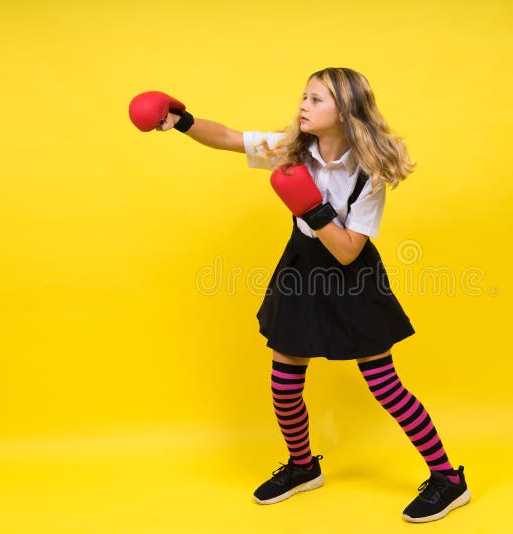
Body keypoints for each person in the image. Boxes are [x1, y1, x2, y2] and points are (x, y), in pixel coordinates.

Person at [132, 67, 470, 523]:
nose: (303, 106)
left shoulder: (367, 171)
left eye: (315, 100)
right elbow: (230, 137)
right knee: (284, 385)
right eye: (304, 97)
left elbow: (350, 251)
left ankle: (449, 479)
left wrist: (310, 205)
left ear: (345, 110)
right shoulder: (293, 148)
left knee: (385, 386)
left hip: (350, 277)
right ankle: (302, 466)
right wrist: (183, 121)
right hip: (302, 270)